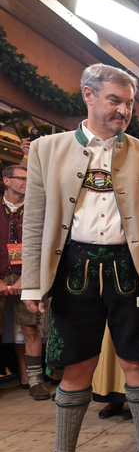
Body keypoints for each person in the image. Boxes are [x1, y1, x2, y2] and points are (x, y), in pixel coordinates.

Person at [17, 63, 139, 452]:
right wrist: (31, 283)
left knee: (138, 366)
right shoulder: (45, 150)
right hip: (74, 269)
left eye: (129, 103)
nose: (124, 110)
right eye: (115, 100)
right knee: (75, 369)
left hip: (133, 271)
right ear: (87, 95)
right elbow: (34, 222)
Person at [0, 165, 49, 400]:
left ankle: (35, 380)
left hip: (27, 275)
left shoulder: (36, 208)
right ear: (6, 181)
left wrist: (26, 276)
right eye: (21, 179)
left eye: (29, 180)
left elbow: (41, 244)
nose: (26, 183)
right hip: (0, 274)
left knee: (30, 328)